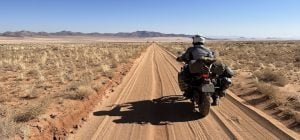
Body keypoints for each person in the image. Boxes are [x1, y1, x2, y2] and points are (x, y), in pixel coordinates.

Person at [176, 35, 233, 106]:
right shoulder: (208, 50)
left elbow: (184, 57)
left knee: (184, 75)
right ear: (202, 42)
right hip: (207, 70)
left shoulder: (190, 50)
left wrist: (180, 58)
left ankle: (187, 92)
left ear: (194, 41)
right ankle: (215, 97)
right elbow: (212, 59)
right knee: (214, 81)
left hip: (195, 71)